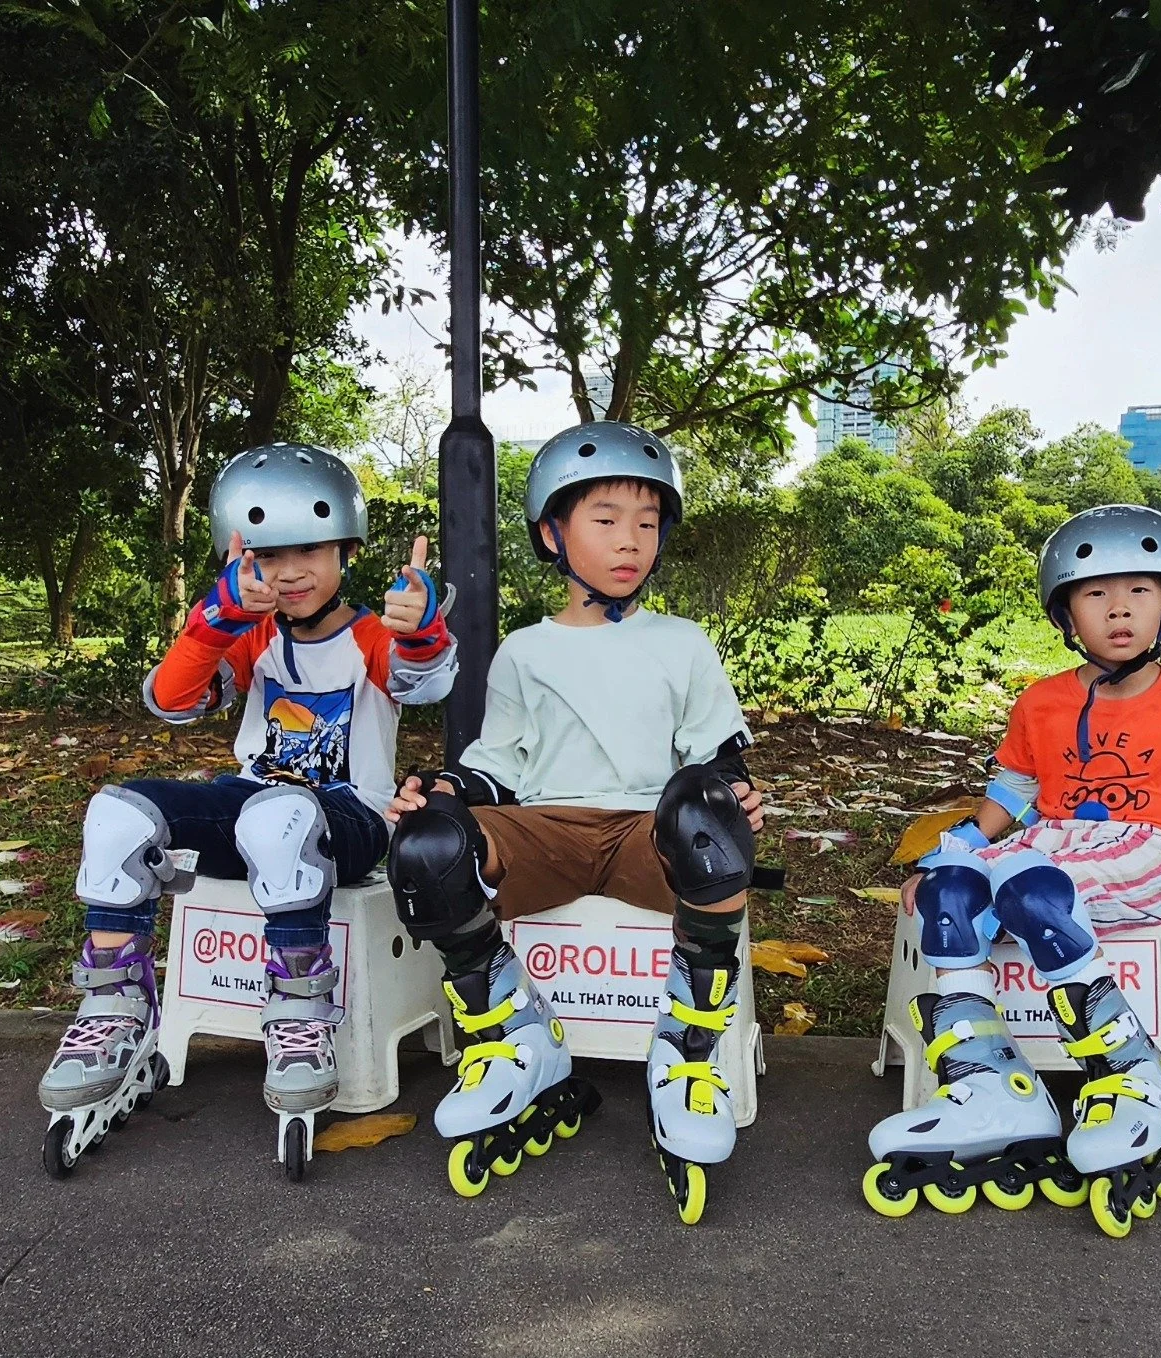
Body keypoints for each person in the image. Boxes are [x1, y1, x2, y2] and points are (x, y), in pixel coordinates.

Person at [865, 504, 1161, 1237]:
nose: (1119, 607)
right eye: (1095, 594)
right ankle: (993, 1085)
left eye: (1139, 591)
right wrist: (959, 849)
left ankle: (1136, 1079)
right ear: (1066, 613)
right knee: (951, 894)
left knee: (1032, 890)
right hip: (1057, 844)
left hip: (1150, 849)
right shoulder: (1042, 702)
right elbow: (1013, 794)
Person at [38, 443, 456, 1178]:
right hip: (254, 805)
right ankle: (116, 1010)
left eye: (308, 550)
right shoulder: (253, 634)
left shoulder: (368, 637)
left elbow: (421, 678)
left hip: (349, 820)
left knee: (280, 816)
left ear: (347, 547)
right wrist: (216, 618)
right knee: (117, 814)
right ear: (239, 555)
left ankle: (300, 1015)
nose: (289, 571)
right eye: (266, 554)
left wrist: (420, 626)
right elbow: (171, 702)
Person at [385, 420, 764, 1224]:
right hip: (546, 828)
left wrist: (734, 794)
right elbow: (502, 760)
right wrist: (445, 787)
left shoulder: (682, 642)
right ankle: (513, 1030)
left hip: (645, 833)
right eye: (605, 520)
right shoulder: (525, 650)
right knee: (428, 846)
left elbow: (714, 754)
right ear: (554, 533)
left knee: (707, 817)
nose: (630, 540)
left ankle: (688, 1049)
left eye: (647, 523)